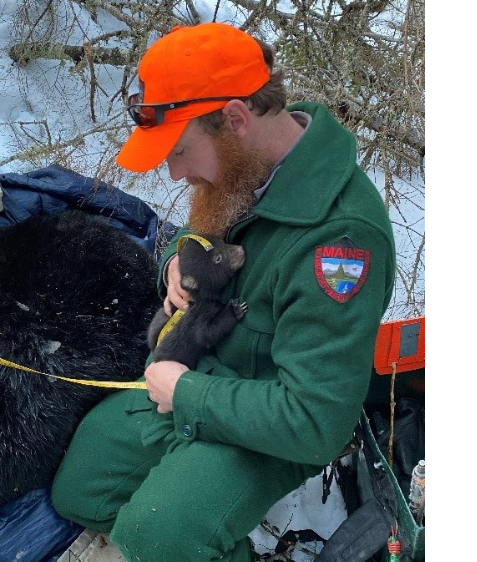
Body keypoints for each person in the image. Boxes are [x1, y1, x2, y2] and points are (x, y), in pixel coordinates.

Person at [51, 22, 396, 561]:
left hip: (268, 420)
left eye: (181, 151)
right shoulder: (243, 168)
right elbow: (200, 240)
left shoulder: (341, 241)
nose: (173, 172)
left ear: (235, 117)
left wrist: (187, 395)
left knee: (157, 535)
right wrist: (174, 267)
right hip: (196, 375)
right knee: (80, 489)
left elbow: (315, 421)